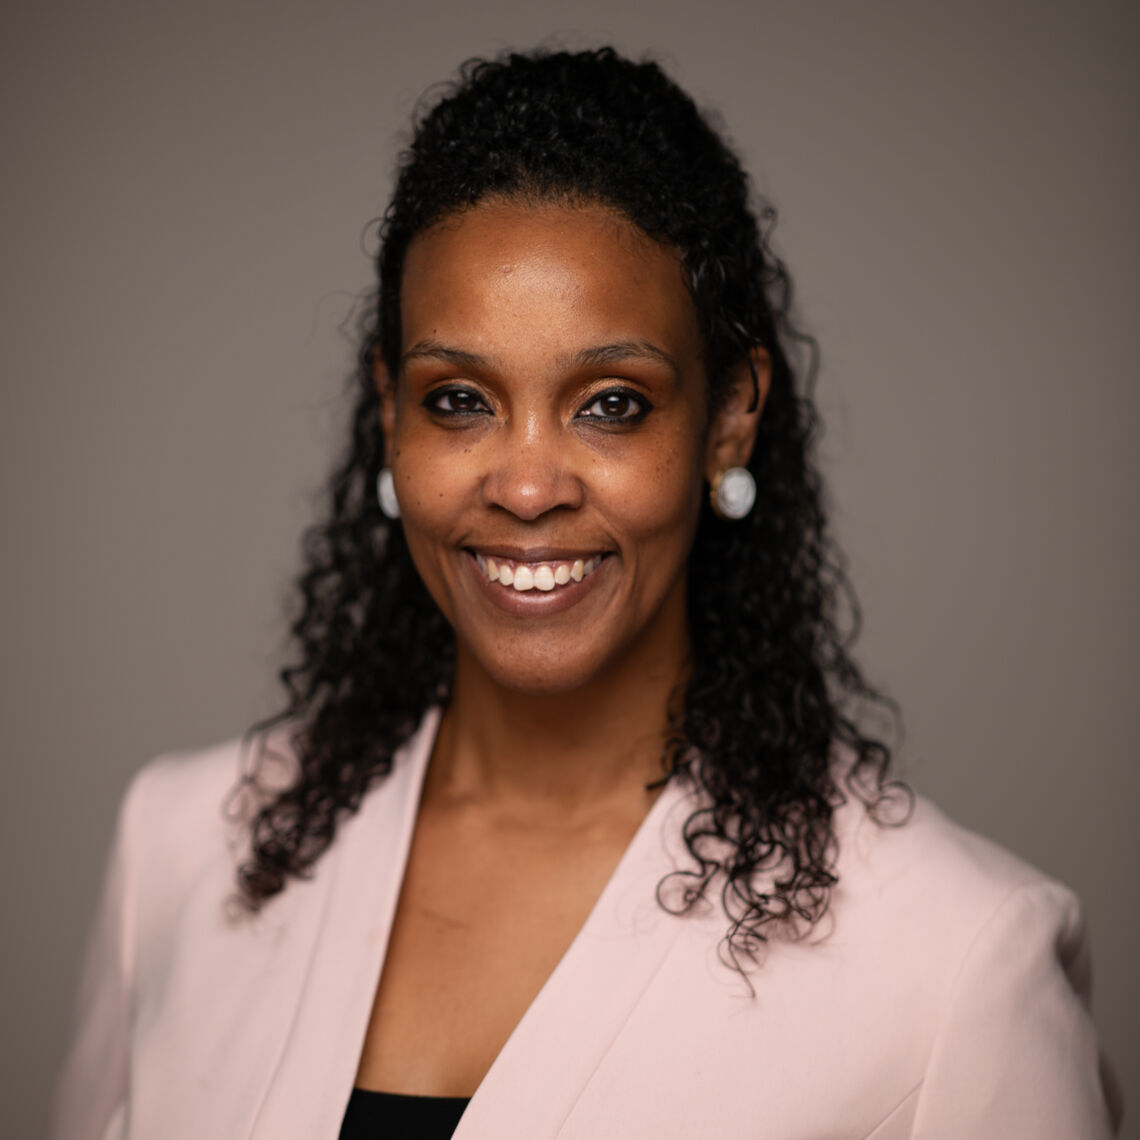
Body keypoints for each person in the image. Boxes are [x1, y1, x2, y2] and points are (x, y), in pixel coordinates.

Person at [50, 47, 1120, 1140]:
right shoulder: (183, 852)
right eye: (458, 399)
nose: (523, 486)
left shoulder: (954, 966)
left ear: (731, 416)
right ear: (388, 409)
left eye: (610, 404)